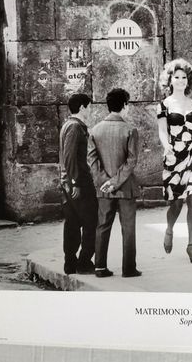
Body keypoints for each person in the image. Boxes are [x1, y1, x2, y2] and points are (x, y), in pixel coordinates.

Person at [157, 58, 192, 264]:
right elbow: (163, 132)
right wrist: (167, 148)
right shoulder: (164, 105)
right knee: (176, 203)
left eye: (184, 77)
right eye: (177, 77)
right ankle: (169, 229)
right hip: (175, 157)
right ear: (170, 80)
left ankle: (191, 245)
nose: (181, 80)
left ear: (188, 80)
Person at [87, 88, 142, 278]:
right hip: (126, 188)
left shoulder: (95, 130)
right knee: (128, 229)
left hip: (104, 189)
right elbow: (131, 161)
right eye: (128, 104)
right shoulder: (130, 130)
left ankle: (100, 267)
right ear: (125, 105)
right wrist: (115, 182)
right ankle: (128, 268)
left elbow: (92, 160)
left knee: (102, 226)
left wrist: (105, 182)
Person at [59, 93, 98, 275]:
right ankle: (84, 262)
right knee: (91, 221)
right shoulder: (75, 127)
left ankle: (70, 263)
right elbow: (69, 157)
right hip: (79, 182)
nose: (90, 110)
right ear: (82, 107)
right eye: (89, 107)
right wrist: (75, 182)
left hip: (70, 182)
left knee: (72, 223)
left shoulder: (68, 125)